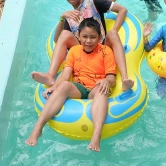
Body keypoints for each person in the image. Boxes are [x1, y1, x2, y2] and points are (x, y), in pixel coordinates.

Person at [26, 18, 115, 152]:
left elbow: (112, 79)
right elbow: (66, 75)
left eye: (93, 37)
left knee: (102, 90)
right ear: (78, 36)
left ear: (100, 37)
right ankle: (38, 128)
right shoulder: (74, 51)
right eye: (84, 36)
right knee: (64, 85)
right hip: (79, 88)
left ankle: (96, 135)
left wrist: (106, 81)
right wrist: (54, 87)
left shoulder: (106, 51)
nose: (88, 41)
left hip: (96, 88)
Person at [31, 0, 135, 93]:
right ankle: (50, 76)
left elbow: (122, 10)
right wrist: (62, 18)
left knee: (112, 34)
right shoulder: (69, 17)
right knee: (65, 34)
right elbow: (57, 40)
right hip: (82, 50)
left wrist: (114, 30)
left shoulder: (94, 2)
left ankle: (124, 79)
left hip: (102, 46)